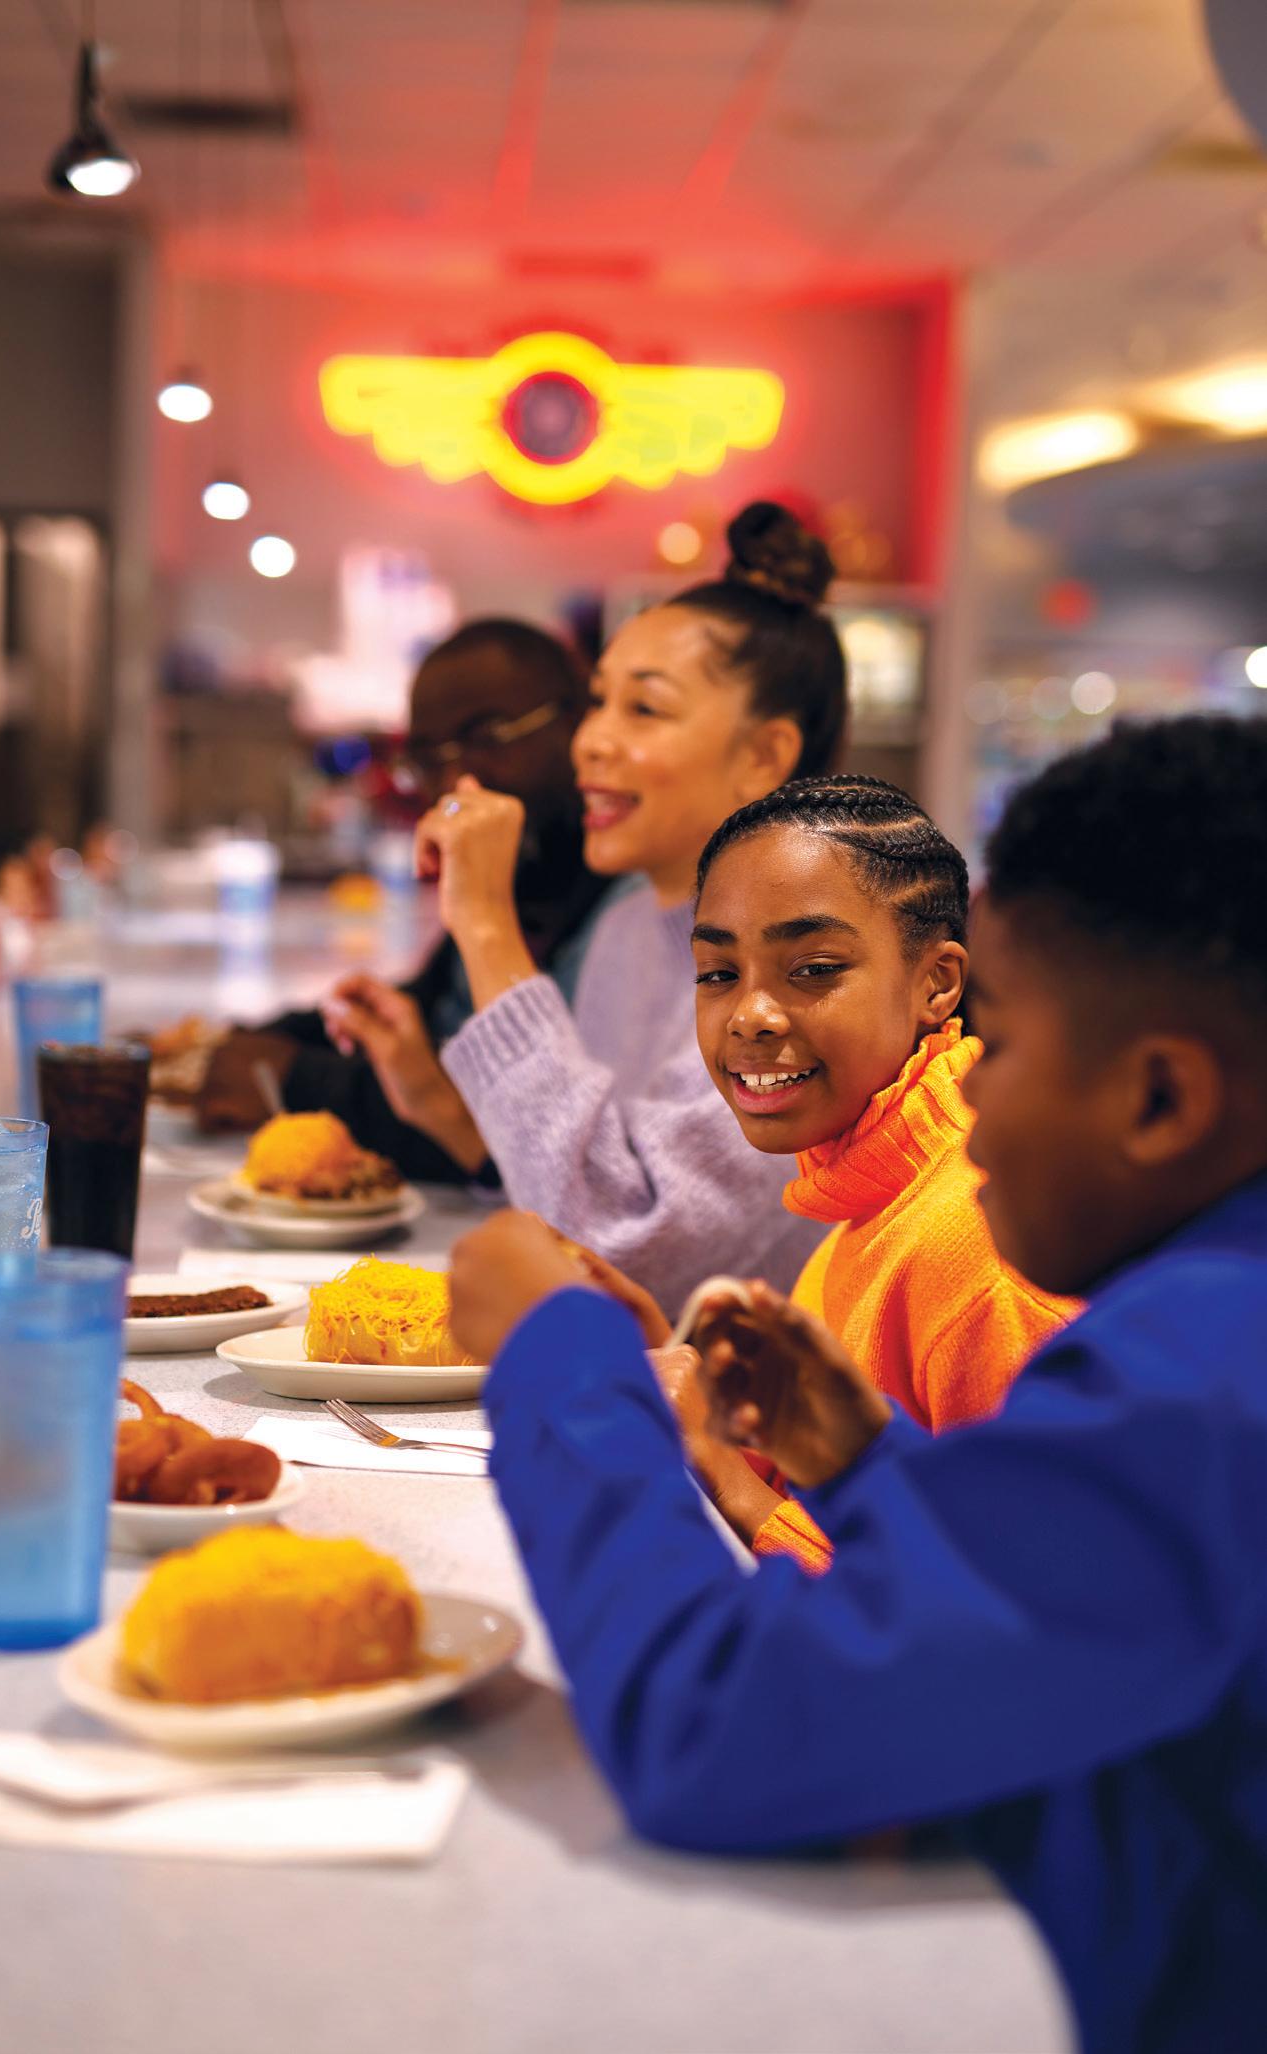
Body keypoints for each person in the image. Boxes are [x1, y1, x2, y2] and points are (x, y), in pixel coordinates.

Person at [449, 714, 1267, 2054]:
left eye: (1003, 1044)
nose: (970, 1104)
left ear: (1162, 1097)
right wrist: (874, 1471)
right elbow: (1043, 1617)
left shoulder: (1200, 1386)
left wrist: (556, 1356)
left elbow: (711, 1730)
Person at [332, 502, 848, 1311]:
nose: (591, 741)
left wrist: (486, 923)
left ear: (763, 755)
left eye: (644, 709)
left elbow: (626, 1249)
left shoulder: (805, 976)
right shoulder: (626, 924)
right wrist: (436, 1103)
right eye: (598, 702)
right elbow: (579, 1184)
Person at [662, 773, 1080, 1570]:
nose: (749, 1014)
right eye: (718, 973)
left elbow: (1008, 1604)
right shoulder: (869, 1191)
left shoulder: (978, 1251)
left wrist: (732, 1486)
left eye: (813, 968)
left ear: (937, 983)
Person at [200, 618, 616, 1183]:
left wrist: (298, 1079)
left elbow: (554, 1136)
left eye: (488, 737)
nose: (456, 784)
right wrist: (260, 1040)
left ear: (580, 721)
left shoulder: (634, 907)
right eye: (428, 758)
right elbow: (428, 1016)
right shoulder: (535, 886)